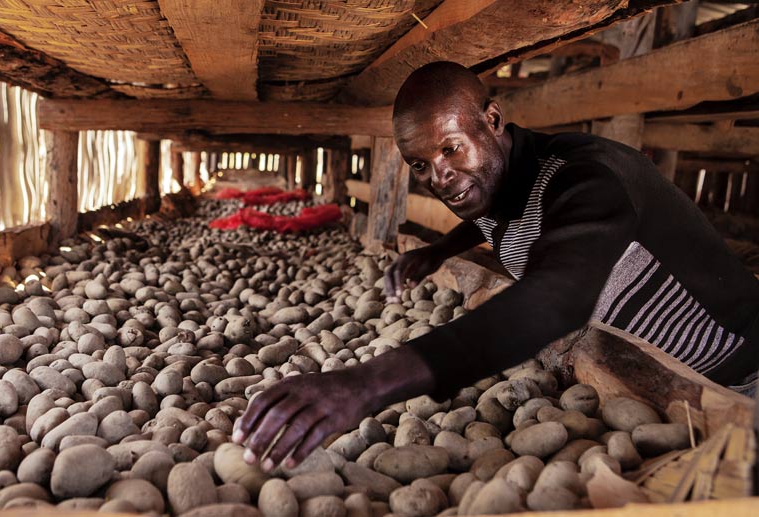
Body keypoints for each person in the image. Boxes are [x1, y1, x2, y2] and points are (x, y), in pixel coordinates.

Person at [233, 61, 759, 472]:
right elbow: (496, 216)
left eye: (450, 148)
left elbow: (555, 299)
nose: (439, 177)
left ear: (492, 120)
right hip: (658, 387)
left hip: (738, 379)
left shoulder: (589, 179)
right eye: (420, 165)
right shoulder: (497, 178)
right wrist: (438, 250)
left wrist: (367, 384)